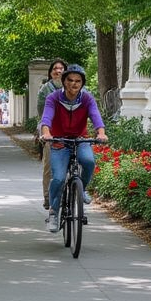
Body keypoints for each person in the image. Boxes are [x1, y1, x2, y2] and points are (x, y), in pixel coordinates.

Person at [40, 64, 107, 232]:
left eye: (78, 81)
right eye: (70, 80)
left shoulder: (87, 98)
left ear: (82, 83)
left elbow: (95, 116)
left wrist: (101, 133)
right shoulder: (53, 98)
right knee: (59, 178)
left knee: (89, 161)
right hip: (59, 141)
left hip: (80, 139)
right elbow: (46, 117)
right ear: (64, 81)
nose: (74, 84)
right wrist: (46, 133)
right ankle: (54, 212)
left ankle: (81, 189)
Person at [36, 58, 68, 209]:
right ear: (50, 72)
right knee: (49, 164)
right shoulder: (45, 89)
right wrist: (45, 130)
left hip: (69, 130)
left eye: (61, 68)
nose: (58, 70)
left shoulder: (73, 88)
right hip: (50, 130)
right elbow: (41, 112)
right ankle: (48, 197)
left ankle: (75, 188)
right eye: (55, 68)